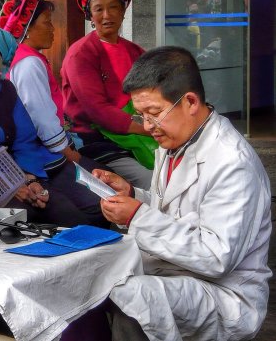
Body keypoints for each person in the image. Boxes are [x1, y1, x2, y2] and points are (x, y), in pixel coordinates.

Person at [99, 46, 271, 341]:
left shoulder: (232, 162)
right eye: (141, 116)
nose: (148, 127)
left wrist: (137, 217)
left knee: (130, 296)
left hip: (225, 292)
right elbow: (173, 210)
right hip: (178, 273)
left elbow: (216, 257)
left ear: (190, 101)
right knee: (97, 278)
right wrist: (133, 196)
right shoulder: (175, 141)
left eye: (153, 113)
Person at [0, 26, 107, 228]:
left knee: (67, 212)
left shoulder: (5, 90)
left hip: (14, 172)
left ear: (1, 69)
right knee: (30, 215)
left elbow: (24, 140)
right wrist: (8, 184)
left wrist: (29, 180)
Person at [60, 0, 154, 189]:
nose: (106, 15)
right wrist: (147, 128)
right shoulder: (80, 54)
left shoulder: (135, 51)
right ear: (90, 15)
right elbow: (98, 110)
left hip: (137, 130)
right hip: (96, 139)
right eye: (98, 9)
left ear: (123, 11)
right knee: (151, 180)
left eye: (113, 7)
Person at [0, 0, 82, 164]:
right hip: (38, 150)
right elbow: (41, 116)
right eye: (47, 22)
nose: (52, 29)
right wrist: (69, 154)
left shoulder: (23, 56)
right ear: (26, 28)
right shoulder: (29, 63)